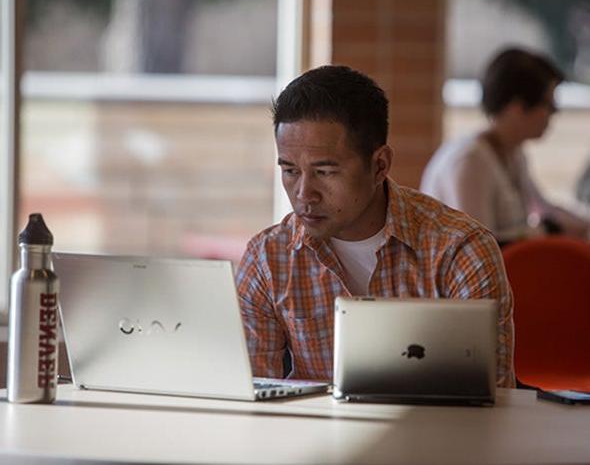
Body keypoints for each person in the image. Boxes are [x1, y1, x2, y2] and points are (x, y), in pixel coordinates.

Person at [236, 65, 515, 388]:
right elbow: (251, 396)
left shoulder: (460, 251)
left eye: (325, 172)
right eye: (290, 171)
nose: (303, 193)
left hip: (435, 436)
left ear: (379, 165)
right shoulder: (268, 259)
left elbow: (492, 401)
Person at [421, 47, 590, 245]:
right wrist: (545, 231)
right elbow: (477, 245)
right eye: (550, 106)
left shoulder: (512, 152)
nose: (553, 114)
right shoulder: (470, 160)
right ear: (517, 107)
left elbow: (543, 208)